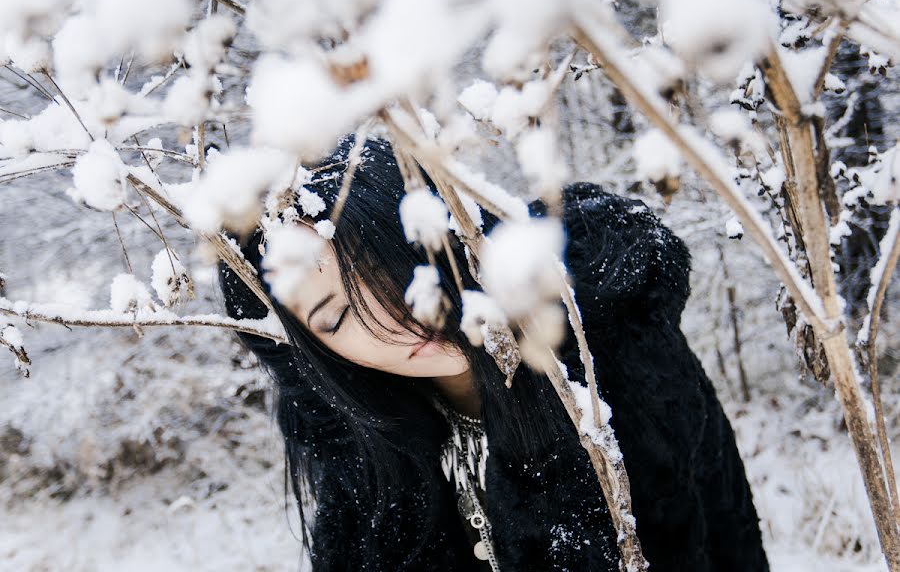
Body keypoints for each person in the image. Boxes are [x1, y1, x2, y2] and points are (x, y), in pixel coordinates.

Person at [218, 136, 770, 571]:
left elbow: (713, 530)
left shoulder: (605, 344)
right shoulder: (366, 462)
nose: (394, 316)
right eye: (335, 318)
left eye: (386, 264)